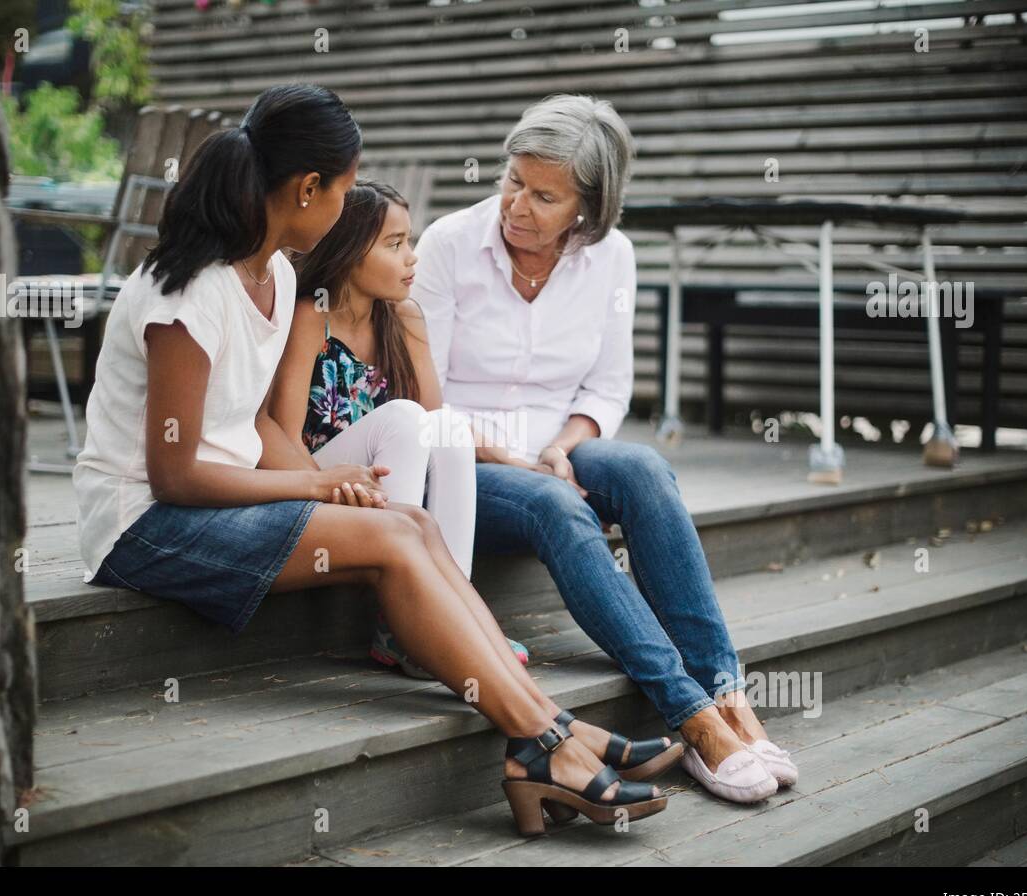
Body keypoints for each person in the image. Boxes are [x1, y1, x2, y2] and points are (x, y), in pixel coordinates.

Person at [72, 82, 676, 836]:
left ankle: (551, 727)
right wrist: (315, 484)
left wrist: (319, 492)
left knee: (414, 524)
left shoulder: (277, 275)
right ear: (307, 189)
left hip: (223, 497)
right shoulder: (190, 292)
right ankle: (542, 743)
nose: (347, 208)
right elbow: (174, 473)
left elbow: (256, 421)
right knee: (394, 537)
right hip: (146, 523)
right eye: (347, 189)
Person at [411, 93, 799, 804]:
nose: (516, 206)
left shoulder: (611, 256)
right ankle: (695, 719)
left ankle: (729, 696)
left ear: (587, 209)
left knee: (644, 469)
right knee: (557, 505)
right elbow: (424, 402)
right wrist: (522, 464)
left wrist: (561, 448)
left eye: (543, 196)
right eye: (512, 181)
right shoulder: (448, 245)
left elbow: (608, 387)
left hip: (554, 451)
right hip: (461, 466)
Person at [268, 179, 529, 677]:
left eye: (410, 241)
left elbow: (438, 428)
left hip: (385, 487)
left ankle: (450, 616)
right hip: (316, 479)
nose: (412, 258)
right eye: (394, 244)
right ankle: (407, 616)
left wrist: (515, 459)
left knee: (445, 424)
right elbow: (283, 432)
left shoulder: (404, 318)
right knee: (405, 417)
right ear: (347, 252)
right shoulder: (310, 315)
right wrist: (325, 484)